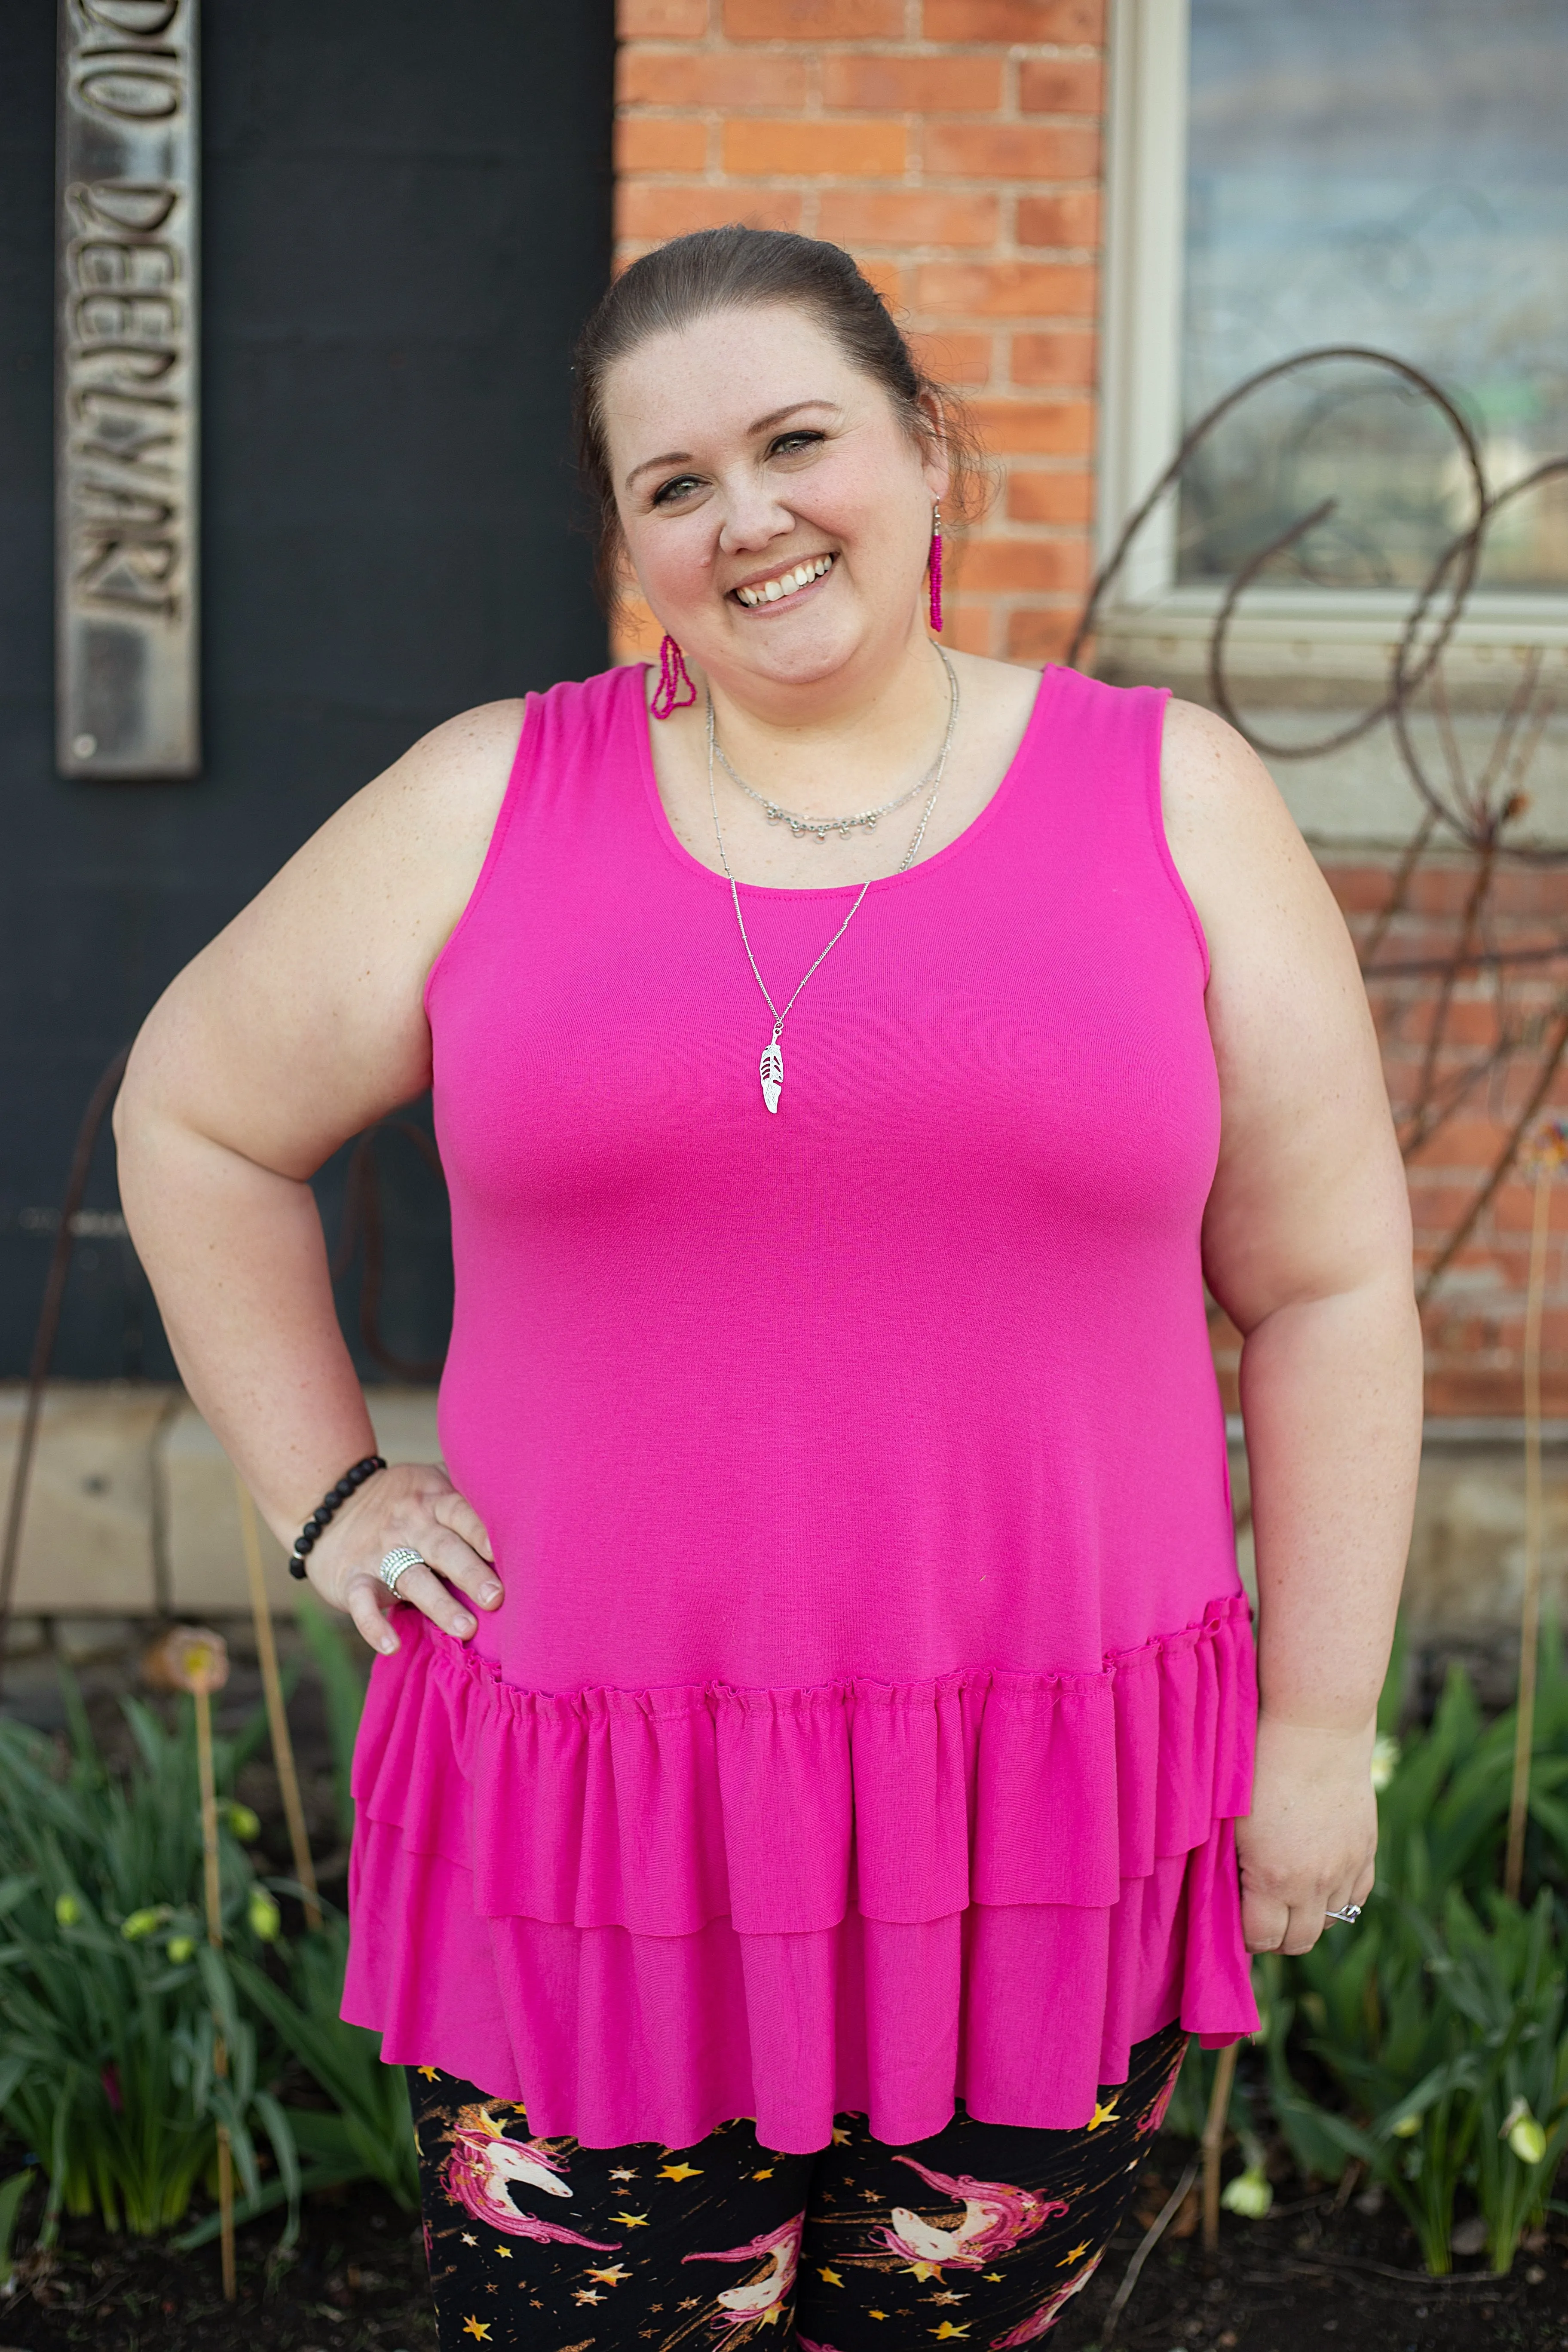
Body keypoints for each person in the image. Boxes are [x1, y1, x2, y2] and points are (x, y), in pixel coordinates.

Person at [115, 226, 1421, 2349]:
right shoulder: (491, 799)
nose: (754, 518)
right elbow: (197, 1114)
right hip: (594, 1823)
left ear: (920, 445)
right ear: (631, 539)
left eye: (799, 438)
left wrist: (1324, 1729)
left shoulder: (1171, 797)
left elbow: (1336, 1284)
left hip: (1040, 1829)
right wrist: (330, 1491)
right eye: (677, 482)